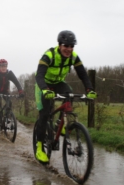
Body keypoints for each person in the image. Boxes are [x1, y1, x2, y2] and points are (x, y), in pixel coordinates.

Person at [35, 30, 97, 163]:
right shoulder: (49, 55)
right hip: (43, 85)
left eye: (71, 46)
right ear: (59, 45)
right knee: (44, 115)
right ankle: (39, 147)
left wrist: (89, 89)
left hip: (58, 83)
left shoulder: (74, 57)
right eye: (65, 45)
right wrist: (45, 89)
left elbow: (83, 74)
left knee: (70, 94)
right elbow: (39, 75)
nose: (68, 49)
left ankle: (60, 123)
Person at [0, 59, 24, 134]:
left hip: (5, 91)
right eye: (2, 66)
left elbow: (16, 82)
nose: (4, 67)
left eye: (5, 66)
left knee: (9, 103)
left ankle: (7, 116)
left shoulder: (9, 73)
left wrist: (20, 91)